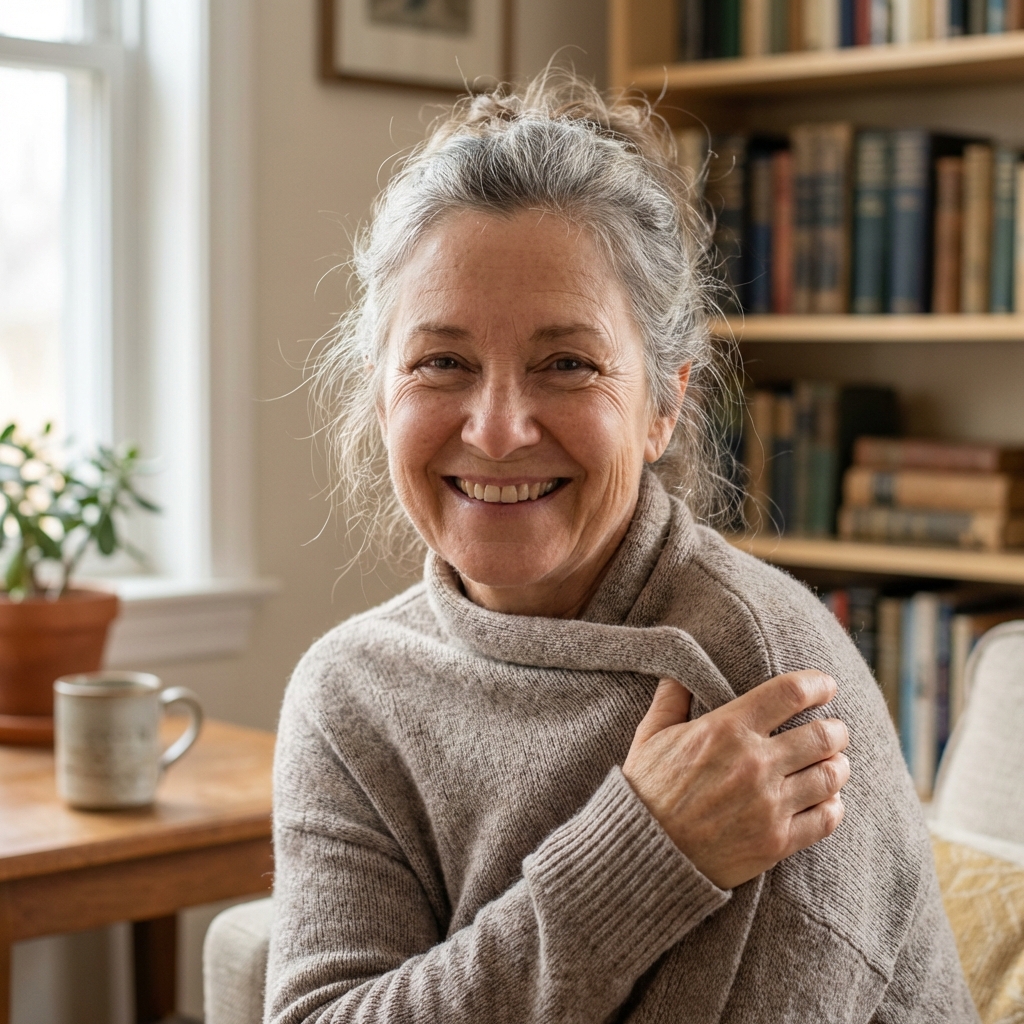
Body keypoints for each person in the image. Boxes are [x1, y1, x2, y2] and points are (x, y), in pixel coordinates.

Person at [266, 72, 975, 1023]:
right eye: (442, 363)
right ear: (381, 392)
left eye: (568, 364)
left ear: (663, 406)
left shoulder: (756, 683)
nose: (499, 430)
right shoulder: (349, 689)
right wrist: (637, 859)